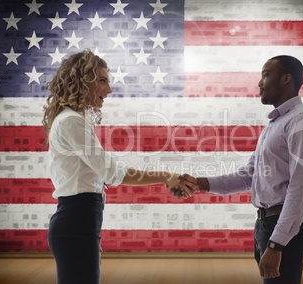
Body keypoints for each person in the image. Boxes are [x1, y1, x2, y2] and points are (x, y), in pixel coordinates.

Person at [42, 49, 196, 284]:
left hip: (80, 223)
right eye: (102, 80)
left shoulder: (71, 119)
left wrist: (90, 236)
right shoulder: (72, 121)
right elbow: (112, 173)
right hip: (76, 222)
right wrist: (166, 176)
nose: (109, 90)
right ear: (83, 81)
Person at [172, 55, 303, 283]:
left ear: (286, 79)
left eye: (265, 74)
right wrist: (199, 183)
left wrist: (277, 243)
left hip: (284, 225)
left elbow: (300, 188)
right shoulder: (275, 124)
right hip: (266, 223)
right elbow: (248, 176)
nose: (260, 82)